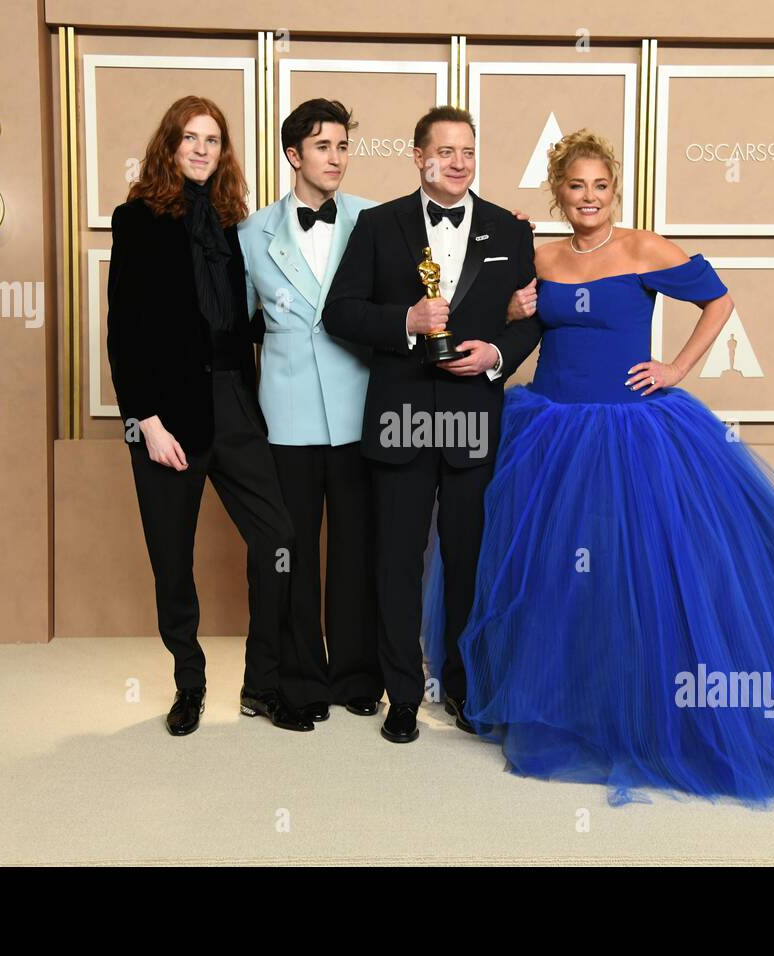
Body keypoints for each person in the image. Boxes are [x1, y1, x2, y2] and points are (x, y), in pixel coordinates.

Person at [423, 130, 774, 806]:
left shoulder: (645, 248)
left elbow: (719, 302)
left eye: (601, 186)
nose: (589, 197)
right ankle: (574, 704)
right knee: (557, 573)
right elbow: (508, 321)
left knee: (643, 571)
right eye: (576, 185)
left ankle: (647, 708)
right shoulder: (542, 258)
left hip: (630, 430)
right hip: (550, 426)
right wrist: (508, 307)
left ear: (614, 192)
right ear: (557, 191)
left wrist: (676, 367)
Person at [323, 105, 542, 743]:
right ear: (418, 157)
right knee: (396, 561)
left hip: (475, 417)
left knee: (469, 560)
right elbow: (341, 313)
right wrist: (406, 323)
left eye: (467, 151)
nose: (458, 162)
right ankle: (401, 696)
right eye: (444, 151)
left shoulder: (508, 228)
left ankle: (465, 691)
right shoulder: (377, 224)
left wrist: (498, 353)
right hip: (401, 416)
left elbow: (530, 317)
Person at [106, 95, 311, 736]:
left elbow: (246, 316)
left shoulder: (233, 226)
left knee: (278, 539)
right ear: (169, 146)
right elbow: (124, 330)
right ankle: (188, 684)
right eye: (189, 137)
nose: (200, 148)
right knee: (173, 557)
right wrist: (147, 420)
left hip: (235, 404)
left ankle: (263, 684)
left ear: (224, 153)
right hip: (169, 416)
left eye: (213, 140)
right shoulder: (136, 219)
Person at [237, 99, 384, 723]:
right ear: (293, 155)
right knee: (290, 555)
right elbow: (236, 330)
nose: (337, 157)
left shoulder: (377, 222)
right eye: (323, 146)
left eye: (343, 146)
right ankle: (297, 682)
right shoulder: (249, 235)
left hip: (359, 413)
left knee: (356, 549)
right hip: (287, 419)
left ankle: (355, 675)